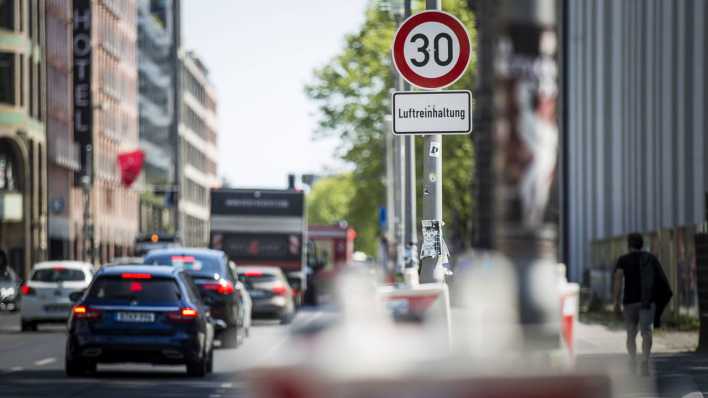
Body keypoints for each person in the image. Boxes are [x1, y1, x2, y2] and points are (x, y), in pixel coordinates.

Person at [613, 233, 673, 376]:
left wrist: (615, 302)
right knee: (646, 332)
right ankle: (645, 360)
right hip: (647, 302)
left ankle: (633, 360)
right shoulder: (650, 258)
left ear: (629, 245)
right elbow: (660, 279)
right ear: (641, 244)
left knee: (631, 334)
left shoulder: (623, 260)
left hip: (629, 302)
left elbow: (618, 280)